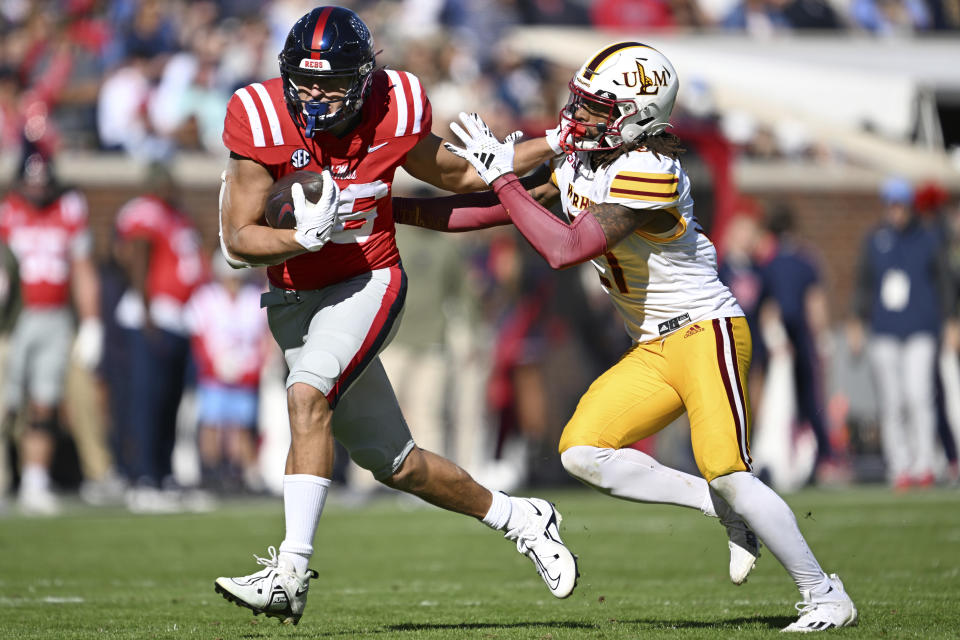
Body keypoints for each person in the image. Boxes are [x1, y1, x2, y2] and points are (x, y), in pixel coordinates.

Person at [426, 41, 857, 632]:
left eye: (598, 109)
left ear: (640, 115)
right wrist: (385, 212)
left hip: (709, 334)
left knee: (730, 469)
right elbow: (492, 210)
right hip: (653, 347)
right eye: (580, 102)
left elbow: (563, 249)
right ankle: (720, 508)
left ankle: (824, 592)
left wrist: (504, 176)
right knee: (583, 451)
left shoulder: (651, 168)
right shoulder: (584, 162)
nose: (579, 118)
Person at [213, 6, 577, 625]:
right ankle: (522, 517)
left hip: (368, 280)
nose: (318, 96)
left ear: (364, 78)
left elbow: (461, 173)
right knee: (397, 464)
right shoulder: (260, 115)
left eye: (333, 83)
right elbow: (236, 240)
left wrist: (558, 143)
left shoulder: (397, 103)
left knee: (307, 397)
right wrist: (300, 239)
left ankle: (290, 575)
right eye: (306, 81)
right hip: (295, 299)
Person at [0, 145, 101, 515]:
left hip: (56, 317)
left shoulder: (69, 210)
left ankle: (34, 481)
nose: (38, 188)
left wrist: (91, 322)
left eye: (44, 181)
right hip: (13, 321)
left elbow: (83, 270)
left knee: (45, 403)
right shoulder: (8, 211)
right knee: (5, 404)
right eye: (32, 181)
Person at [849, 177, 955, 490]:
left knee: (919, 396)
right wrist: (856, 320)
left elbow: (945, 283)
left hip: (921, 328)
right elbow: (863, 284)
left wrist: (950, 321)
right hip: (884, 330)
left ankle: (925, 463)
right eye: (891, 205)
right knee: (892, 401)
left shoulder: (929, 239)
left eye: (900, 205)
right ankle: (900, 466)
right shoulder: (875, 240)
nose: (896, 211)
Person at [113, 163, 206, 511]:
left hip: (178, 319)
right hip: (154, 316)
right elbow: (137, 253)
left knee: (170, 402)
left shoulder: (176, 215)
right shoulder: (145, 211)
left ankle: (163, 473)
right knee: (146, 402)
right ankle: (142, 477)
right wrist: (146, 309)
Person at [184, 252, 269, 494]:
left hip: (245, 375)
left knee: (240, 426)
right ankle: (210, 472)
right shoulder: (206, 298)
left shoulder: (254, 297)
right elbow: (198, 336)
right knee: (212, 423)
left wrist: (253, 368)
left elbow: (264, 338)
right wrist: (214, 366)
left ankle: (238, 473)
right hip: (214, 374)